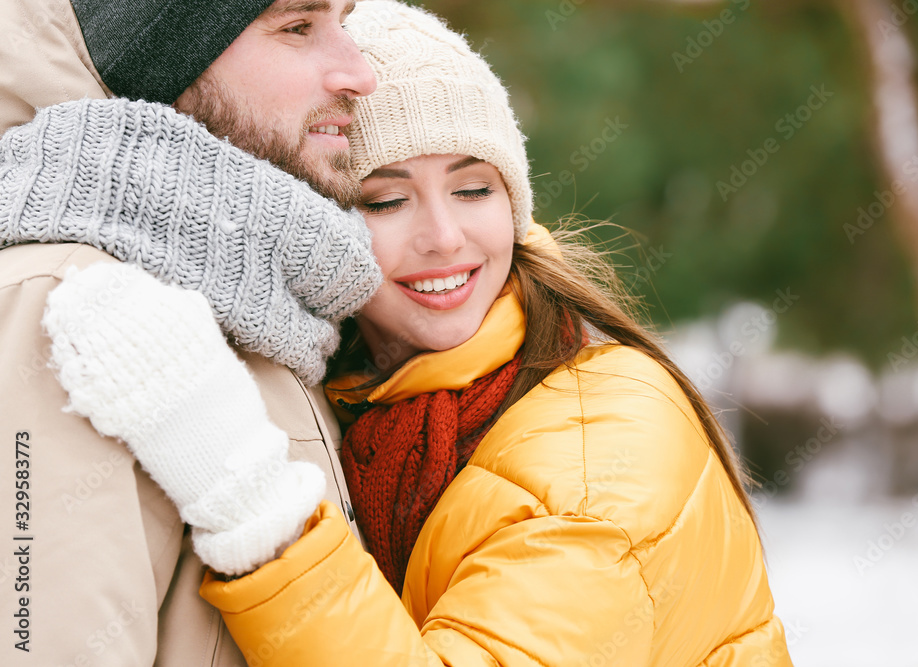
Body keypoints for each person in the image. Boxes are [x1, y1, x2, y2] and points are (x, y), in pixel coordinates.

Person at [42, 1, 794, 665]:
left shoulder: (600, 448)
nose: (443, 238)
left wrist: (254, 504)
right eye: (385, 201)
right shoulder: (354, 394)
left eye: (474, 189)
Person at [0, 0, 382, 664]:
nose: (360, 72)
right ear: (159, 58)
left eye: (344, 24)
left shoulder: (257, 296)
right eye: (298, 27)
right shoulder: (67, 302)